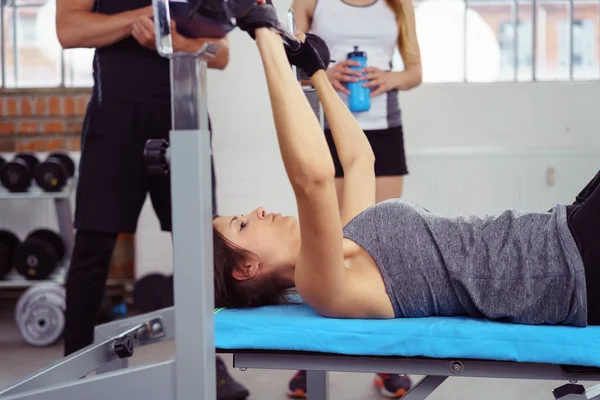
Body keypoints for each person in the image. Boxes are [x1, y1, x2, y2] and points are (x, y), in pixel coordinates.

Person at [216, 5, 599, 400]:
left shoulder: (343, 244)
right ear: (246, 267)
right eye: (242, 224)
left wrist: (314, 71)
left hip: (562, 230)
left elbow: (359, 161)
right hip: (568, 269)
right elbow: (313, 177)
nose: (258, 211)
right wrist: (266, 41)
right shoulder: (320, 285)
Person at [55, 1, 250, 398]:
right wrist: (142, 19)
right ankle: (69, 374)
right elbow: (69, 30)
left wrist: (173, 39)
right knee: (92, 249)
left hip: (183, 114)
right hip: (113, 119)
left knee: (200, 250)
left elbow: (222, 54)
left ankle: (208, 364)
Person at [291, 0, 422, 208]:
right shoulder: (309, 2)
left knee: (386, 225)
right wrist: (323, 75)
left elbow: (415, 72)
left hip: (384, 127)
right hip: (331, 127)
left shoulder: (400, 3)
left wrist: (389, 79)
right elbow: (290, 67)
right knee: (342, 231)